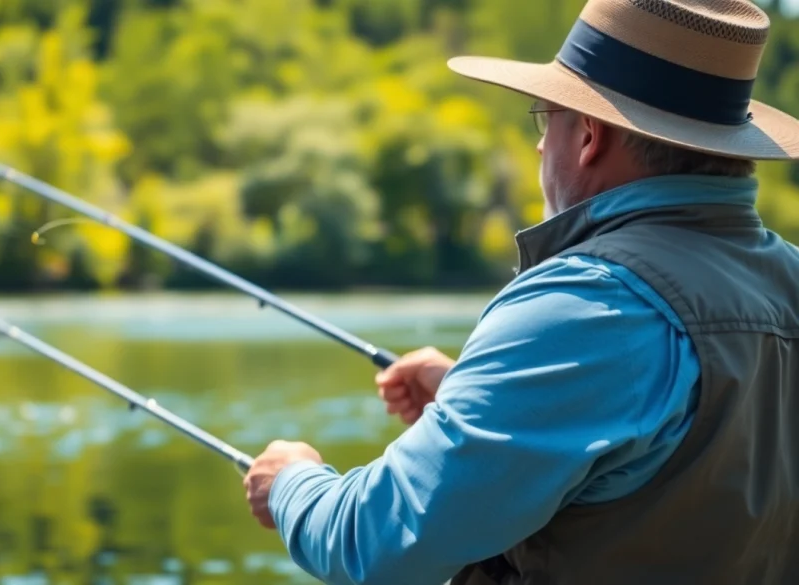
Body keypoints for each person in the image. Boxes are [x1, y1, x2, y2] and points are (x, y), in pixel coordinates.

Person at [242, 0, 799, 584]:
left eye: (545, 117)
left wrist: (291, 482)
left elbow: (376, 544)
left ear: (589, 136)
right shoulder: (785, 279)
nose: (539, 145)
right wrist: (480, 397)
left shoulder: (590, 306)